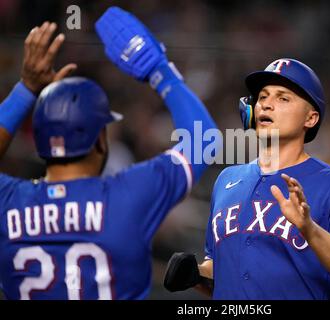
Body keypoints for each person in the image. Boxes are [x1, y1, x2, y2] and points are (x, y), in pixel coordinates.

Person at [0, 7, 217, 300]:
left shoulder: (10, 201)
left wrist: (26, 90)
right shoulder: (129, 194)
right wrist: (159, 71)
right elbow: (202, 141)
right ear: (100, 140)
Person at [164, 58, 330, 299]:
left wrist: (309, 229)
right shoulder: (226, 180)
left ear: (310, 118)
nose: (266, 105)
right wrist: (197, 274)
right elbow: (227, 273)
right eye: (263, 96)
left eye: (283, 98)